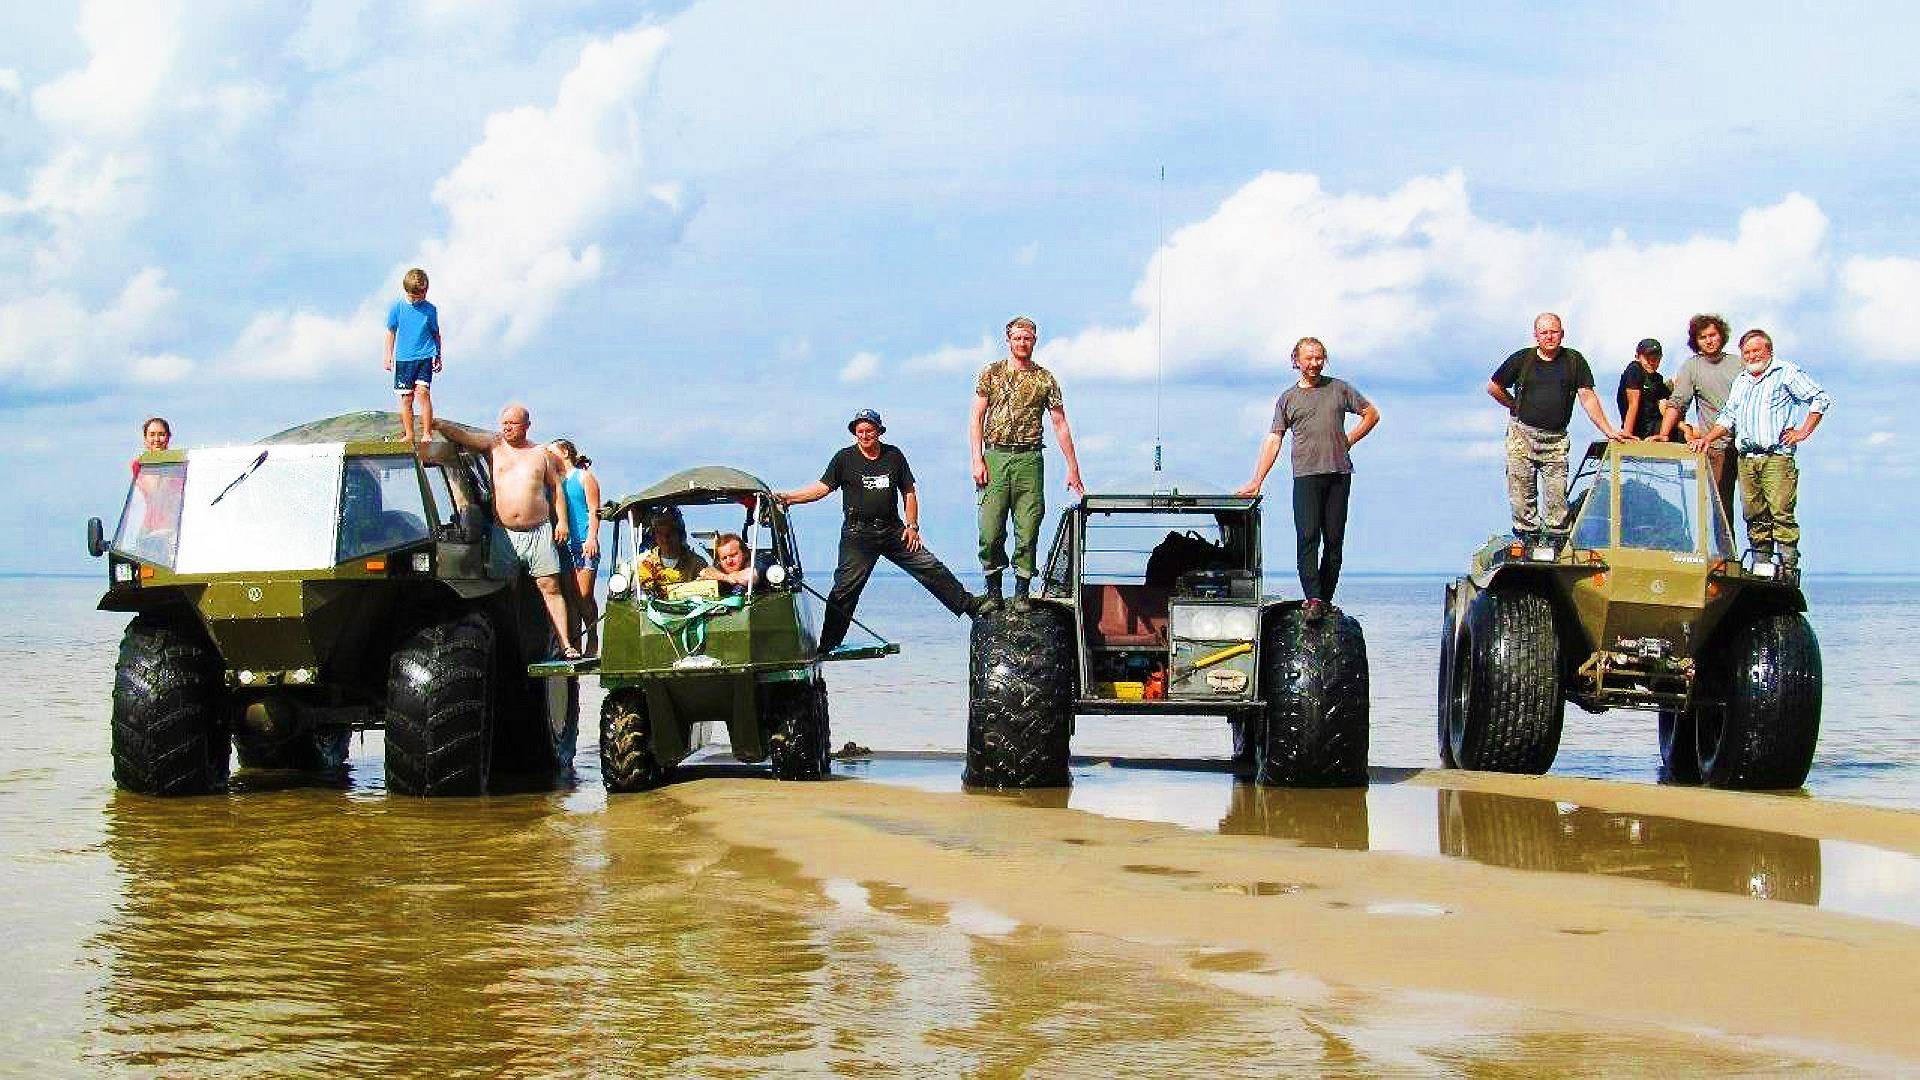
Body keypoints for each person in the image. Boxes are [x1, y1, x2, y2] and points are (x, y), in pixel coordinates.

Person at [778, 409, 980, 652]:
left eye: (869, 430)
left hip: (893, 531)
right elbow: (821, 488)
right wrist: (789, 498)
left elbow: (909, 491)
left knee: (930, 566)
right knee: (845, 589)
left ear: (879, 431)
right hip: (857, 535)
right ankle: (828, 644)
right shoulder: (844, 458)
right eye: (860, 431)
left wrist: (912, 526)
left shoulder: (894, 456)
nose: (864, 435)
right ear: (855, 433)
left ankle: (970, 606)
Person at [1235, 337, 1380, 621]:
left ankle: (1324, 599)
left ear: (1324, 359)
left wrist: (1349, 439)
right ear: (1296, 361)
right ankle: (1313, 598)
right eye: (1309, 358)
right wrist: (1257, 480)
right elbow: (1274, 439)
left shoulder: (1339, 388)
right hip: (1306, 475)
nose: (1314, 363)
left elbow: (1371, 414)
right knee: (1308, 537)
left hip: (1339, 472)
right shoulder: (1288, 398)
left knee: (1334, 541)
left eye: (1319, 358)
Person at [430, 405, 576, 657]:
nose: (507, 428)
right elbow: (464, 437)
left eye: (513, 423)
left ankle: (565, 644)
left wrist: (561, 522)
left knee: (550, 586)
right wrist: (440, 424)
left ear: (526, 426)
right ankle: (504, 650)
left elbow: (556, 489)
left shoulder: (540, 453)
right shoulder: (494, 445)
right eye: (504, 423)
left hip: (538, 530)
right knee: (503, 590)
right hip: (504, 533)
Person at [1687, 329, 1830, 568]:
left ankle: (1787, 569)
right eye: (1747, 352)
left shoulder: (1785, 372)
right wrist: (1707, 439)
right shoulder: (1742, 380)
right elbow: (1728, 416)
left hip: (1776, 456)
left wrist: (1803, 432)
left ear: (1769, 350)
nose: (1752, 356)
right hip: (1746, 458)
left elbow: (1820, 398)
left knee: (1781, 513)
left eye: (1756, 351)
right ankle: (1762, 567)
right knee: (1754, 515)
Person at [969, 315, 1085, 610]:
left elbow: (1060, 423)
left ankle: (1022, 590)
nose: (1022, 343)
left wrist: (1073, 468)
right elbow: (976, 417)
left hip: (1030, 459)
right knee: (990, 530)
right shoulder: (991, 373)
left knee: (1029, 526)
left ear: (1034, 341)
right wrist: (977, 459)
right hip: (995, 456)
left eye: (1027, 338)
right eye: (1017, 338)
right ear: (1008, 340)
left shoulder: (1045, 378)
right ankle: (993, 591)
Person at [1486, 312, 1626, 540]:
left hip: (1556, 439)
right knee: (1521, 491)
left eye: (1554, 332)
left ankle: (1557, 538)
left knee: (1557, 494)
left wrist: (1609, 431)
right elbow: (1494, 387)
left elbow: (1588, 397)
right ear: (1536, 335)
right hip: (1522, 434)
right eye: (1544, 332)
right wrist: (1514, 405)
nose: (1549, 337)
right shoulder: (1522, 359)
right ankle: (1527, 536)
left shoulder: (1574, 360)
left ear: (1562, 334)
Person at [1658, 313, 1741, 526]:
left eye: (1712, 335)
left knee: (1754, 507)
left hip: (1747, 445)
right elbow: (1677, 402)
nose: (1709, 340)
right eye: (1703, 337)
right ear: (1696, 341)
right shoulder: (1692, 366)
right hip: (1716, 446)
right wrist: (1664, 434)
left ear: (1721, 335)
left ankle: (1762, 549)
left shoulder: (1738, 363)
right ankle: (1722, 548)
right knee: (1720, 508)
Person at [548, 439, 602, 655]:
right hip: (563, 545)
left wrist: (592, 537)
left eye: (552, 452)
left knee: (584, 595)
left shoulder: (584, 477)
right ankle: (575, 643)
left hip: (584, 542)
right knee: (570, 597)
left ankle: (593, 637)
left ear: (564, 452)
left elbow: (594, 510)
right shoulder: (553, 480)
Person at [384, 268, 443, 444]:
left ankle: (427, 433)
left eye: (424, 293)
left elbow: (436, 333)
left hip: (424, 355)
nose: (421, 297)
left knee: (423, 393)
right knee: (407, 398)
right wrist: (388, 355)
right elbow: (391, 331)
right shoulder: (397, 308)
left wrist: (438, 355)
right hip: (404, 359)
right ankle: (409, 434)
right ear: (408, 292)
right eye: (417, 295)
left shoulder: (430, 309)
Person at [635, 509, 709, 598]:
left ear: (680, 535)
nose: (665, 538)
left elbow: (709, 583)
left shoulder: (696, 563)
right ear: (654, 536)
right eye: (660, 533)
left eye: (670, 532)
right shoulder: (643, 563)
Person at [1616, 338, 1678, 441]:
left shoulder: (1657, 378)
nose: (1651, 362)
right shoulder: (1634, 369)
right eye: (1647, 357)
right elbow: (1633, 403)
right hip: (1641, 429)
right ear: (1637, 357)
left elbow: (1668, 404)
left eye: (1655, 358)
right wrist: (1627, 433)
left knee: (1692, 432)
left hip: (1657, 426)